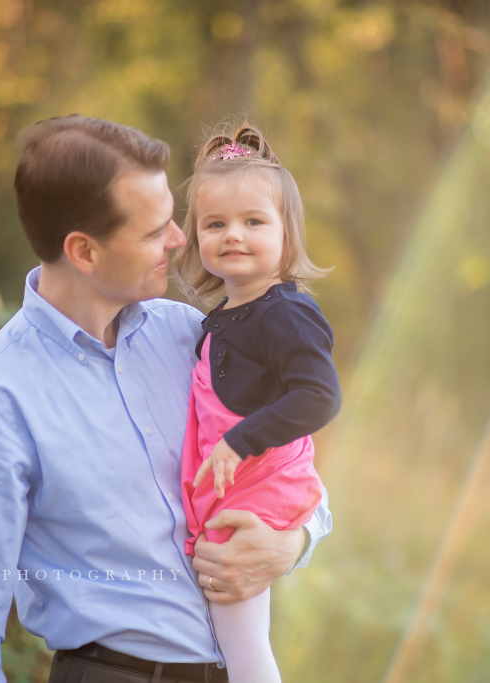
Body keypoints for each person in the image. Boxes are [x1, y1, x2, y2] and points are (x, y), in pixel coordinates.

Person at [0, 115, 332, 683]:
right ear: (84, 252)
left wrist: (294, 542)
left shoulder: (192, 334)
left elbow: (287, 463)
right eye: (154, 231)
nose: (180, 239)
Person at [173, 123, 341, 683]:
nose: (233, 235)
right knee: (226, 636)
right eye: (215, 224)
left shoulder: (285, 312)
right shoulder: (216, 319)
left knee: (241, 637)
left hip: (262, 483)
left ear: (286, 235)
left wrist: (238, 441)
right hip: (234, 484)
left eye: (253, 221)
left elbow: (319, 396)